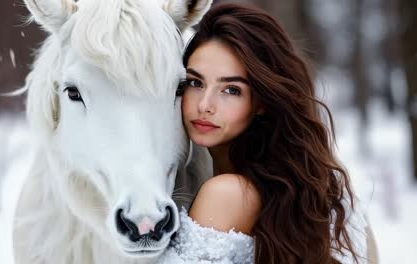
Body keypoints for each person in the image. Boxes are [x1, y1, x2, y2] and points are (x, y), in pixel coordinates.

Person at [159, 3, 377, 264]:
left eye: (231, 90)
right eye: (195, 82)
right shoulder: (314, 185)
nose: (205, 105)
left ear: (261, 102)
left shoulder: (226, 194)